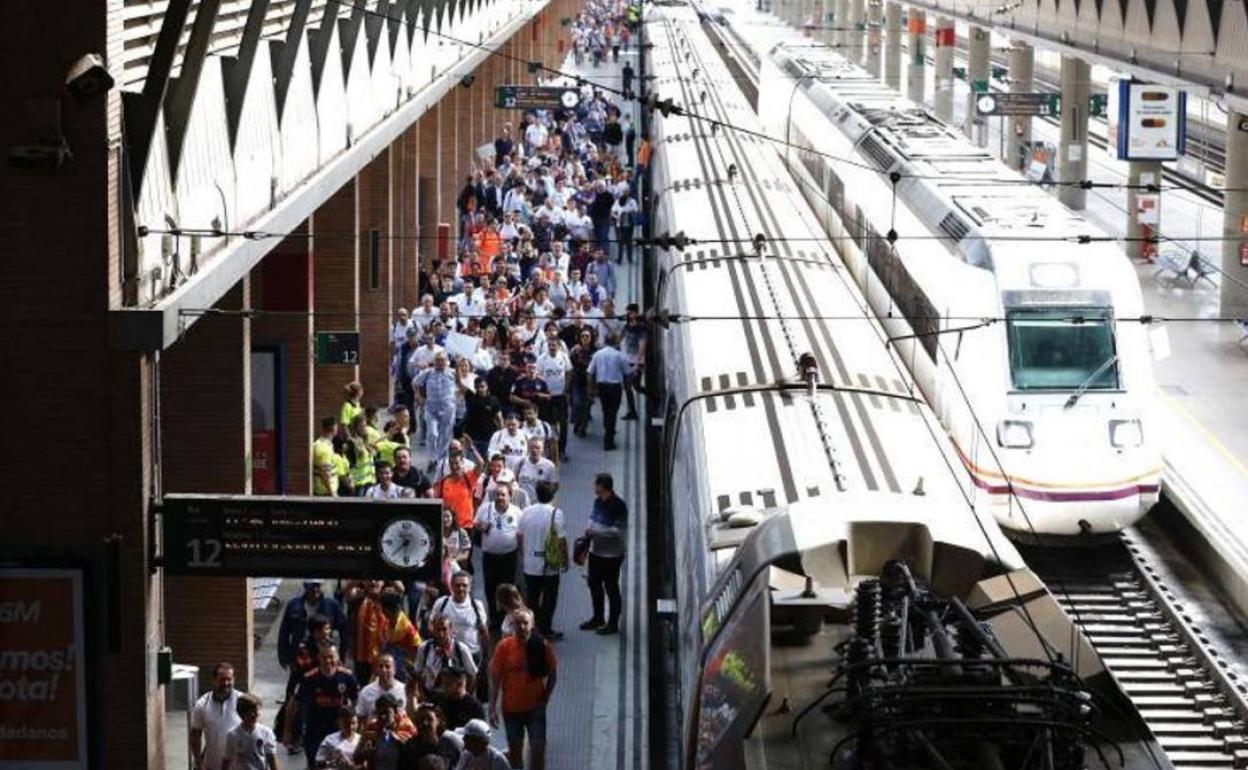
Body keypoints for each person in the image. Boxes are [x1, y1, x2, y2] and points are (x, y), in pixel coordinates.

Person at [488, 609, 557, 770]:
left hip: (535, 707)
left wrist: (546, 696)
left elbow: (553, 672)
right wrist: (492, 707)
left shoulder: (541, 645)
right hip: (511, 709)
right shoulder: (503, 647)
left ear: (532, 625)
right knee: (515, 752)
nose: (521, 626)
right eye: (517, 623)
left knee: (538, 749)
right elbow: (495, 678)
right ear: (512, 625)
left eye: (525, 623)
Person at [285, 645, 359, 762]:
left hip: (338, 731)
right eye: (324, 657)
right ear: (318, 658)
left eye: (331, 657)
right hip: (315, 731)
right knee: (316, 763)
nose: (328, 661)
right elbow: (294, 704)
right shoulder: (308, 679)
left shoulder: (348, 677)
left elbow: (355, 704)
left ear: (338, 658)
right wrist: (287, 730)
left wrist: (353, 727)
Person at [516, 481, 567, 640]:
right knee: (550, 598)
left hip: (530, 563)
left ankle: (533, 627)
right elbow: (561, 540)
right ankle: (546, 628)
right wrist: (565, 559)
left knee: (532, 597)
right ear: (552, 496)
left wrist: (523, 554)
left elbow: (519, 536)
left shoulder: (526, 512)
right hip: (550, 564)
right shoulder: (556, 513)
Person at [582, 473, 628, 635]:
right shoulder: (598, 502)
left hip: (612, 555)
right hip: (597, 552)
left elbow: (617, 531)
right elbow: (593, 518)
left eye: (596, 484)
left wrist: (595, 532)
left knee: (611, 587)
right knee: (594, 584)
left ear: (602, 486)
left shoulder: (619, 506)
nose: (594, 487)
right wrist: (589, 531)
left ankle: (613, 623)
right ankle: (598, 617)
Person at [474, 481, 522, 630]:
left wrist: (522, 553)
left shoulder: (517, 512)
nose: (500, 497)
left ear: (509, 496)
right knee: (490, 587)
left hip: (509, 557)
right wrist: (482, 526)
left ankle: (507, 617)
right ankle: (494, 617)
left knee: (508, 588)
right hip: (490, 557)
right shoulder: (485, 508)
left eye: (503, 494)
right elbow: (474, 523)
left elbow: (521, 534)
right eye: (497, 494)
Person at [278, 582, 349, 673]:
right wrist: (284, 657)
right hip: (300, 656)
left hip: (324, 656)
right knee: (298, 682)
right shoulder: (293, 605)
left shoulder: (331, 605)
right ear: (305, 587)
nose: (315, 589)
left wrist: (341, 656)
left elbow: (344, 631)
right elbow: (284, 632)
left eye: (318, 586)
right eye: (312, 586)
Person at [429, 574, 489, 674]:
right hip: (448, 654)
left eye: (464, 585)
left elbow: (483, 631)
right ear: (451, 586)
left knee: (471, 683)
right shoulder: (442, 603)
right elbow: (431, 624)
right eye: (457, 585)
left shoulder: (477, 606)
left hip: (472, 653)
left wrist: (486, 655)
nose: (461, 588)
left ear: (469, 587)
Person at [412, 614, 479, 702]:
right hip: (430, 695)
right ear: (433, 629)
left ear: (450, 629)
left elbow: (472, 674)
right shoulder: (424, 648)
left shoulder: (461, 649)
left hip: (453, 698)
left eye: (444, 629)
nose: (441, 634)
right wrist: (421, 694)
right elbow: (418, 673)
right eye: (438, 630)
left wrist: (465, 696)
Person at [190, 662, 242, 770]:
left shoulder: (243, 701)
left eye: (229, 679)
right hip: (212, 765)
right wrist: (198, 764)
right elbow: (195, 736)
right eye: (222, 679)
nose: (226, 683)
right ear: (213, 680)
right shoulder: (202, 705)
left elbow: (255, 731)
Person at [413, 351, 458, 472]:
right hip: (431, 407)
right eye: (437, 360)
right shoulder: (428, 373)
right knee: (432, 433)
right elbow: (415, 382)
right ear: (434, 361)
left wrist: (458, 395)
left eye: (442, 360)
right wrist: (418, 395)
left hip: (447, 407)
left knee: (445, 434)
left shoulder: (453, 373)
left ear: (446, 362)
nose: (440, 363)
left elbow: (463, 382)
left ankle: (440, 460)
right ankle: (432, 458)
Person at [587, 334, 633, 450]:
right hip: (615, 387)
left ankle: (609, 430)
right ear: (615, 342)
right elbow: (628, 373)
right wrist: (627, 387)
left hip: (602, 386)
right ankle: (609, 438)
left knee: (606, 410)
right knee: (613, 412)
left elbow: (590, 373)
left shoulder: (598, 354)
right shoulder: (620, 355)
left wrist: (591, 390)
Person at [355, 694, 414, 770]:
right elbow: (356, 757)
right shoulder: (371, 728)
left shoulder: (406, 726)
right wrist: (364, 752)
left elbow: (412, 752)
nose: (383, 716)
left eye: (387, 712)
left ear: (395, 712)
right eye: (379, 713)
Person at [221, 694, 278, 770]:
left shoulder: (266, 733)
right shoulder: (232, 735)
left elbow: (271, 759)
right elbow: (227, 759)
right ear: (241, 713)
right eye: (252, 712)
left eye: (257, 711)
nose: (256, 714)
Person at [397, 704, 463, 769]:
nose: (425, 723)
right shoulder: (411, 746)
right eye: (422, 719)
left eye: (430, 719)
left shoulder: (449, 744)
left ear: (438, 721)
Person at [356, 654, 407, 721]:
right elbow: (360, 717)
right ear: (376, 670)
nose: (384, 670)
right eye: (380, 666)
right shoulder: (366, 691)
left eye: (387, 667)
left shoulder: (404, 690)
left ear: (394, 670)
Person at [510, 437, 557, 503]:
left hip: (539, 503)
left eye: (538, 448)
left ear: (543, 450)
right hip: (522, 503)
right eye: (532, 447)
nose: (534, 450)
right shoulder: (520, 463)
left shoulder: (549, 466)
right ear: (528, 449)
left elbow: (553, 487)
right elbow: (514, 480)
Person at [314, 418, 341, 497]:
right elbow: (325, 473)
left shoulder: (324, 444)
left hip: (325, 491)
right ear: (334, 428)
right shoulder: (324, 448)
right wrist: (332, 493)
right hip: (325, 492)